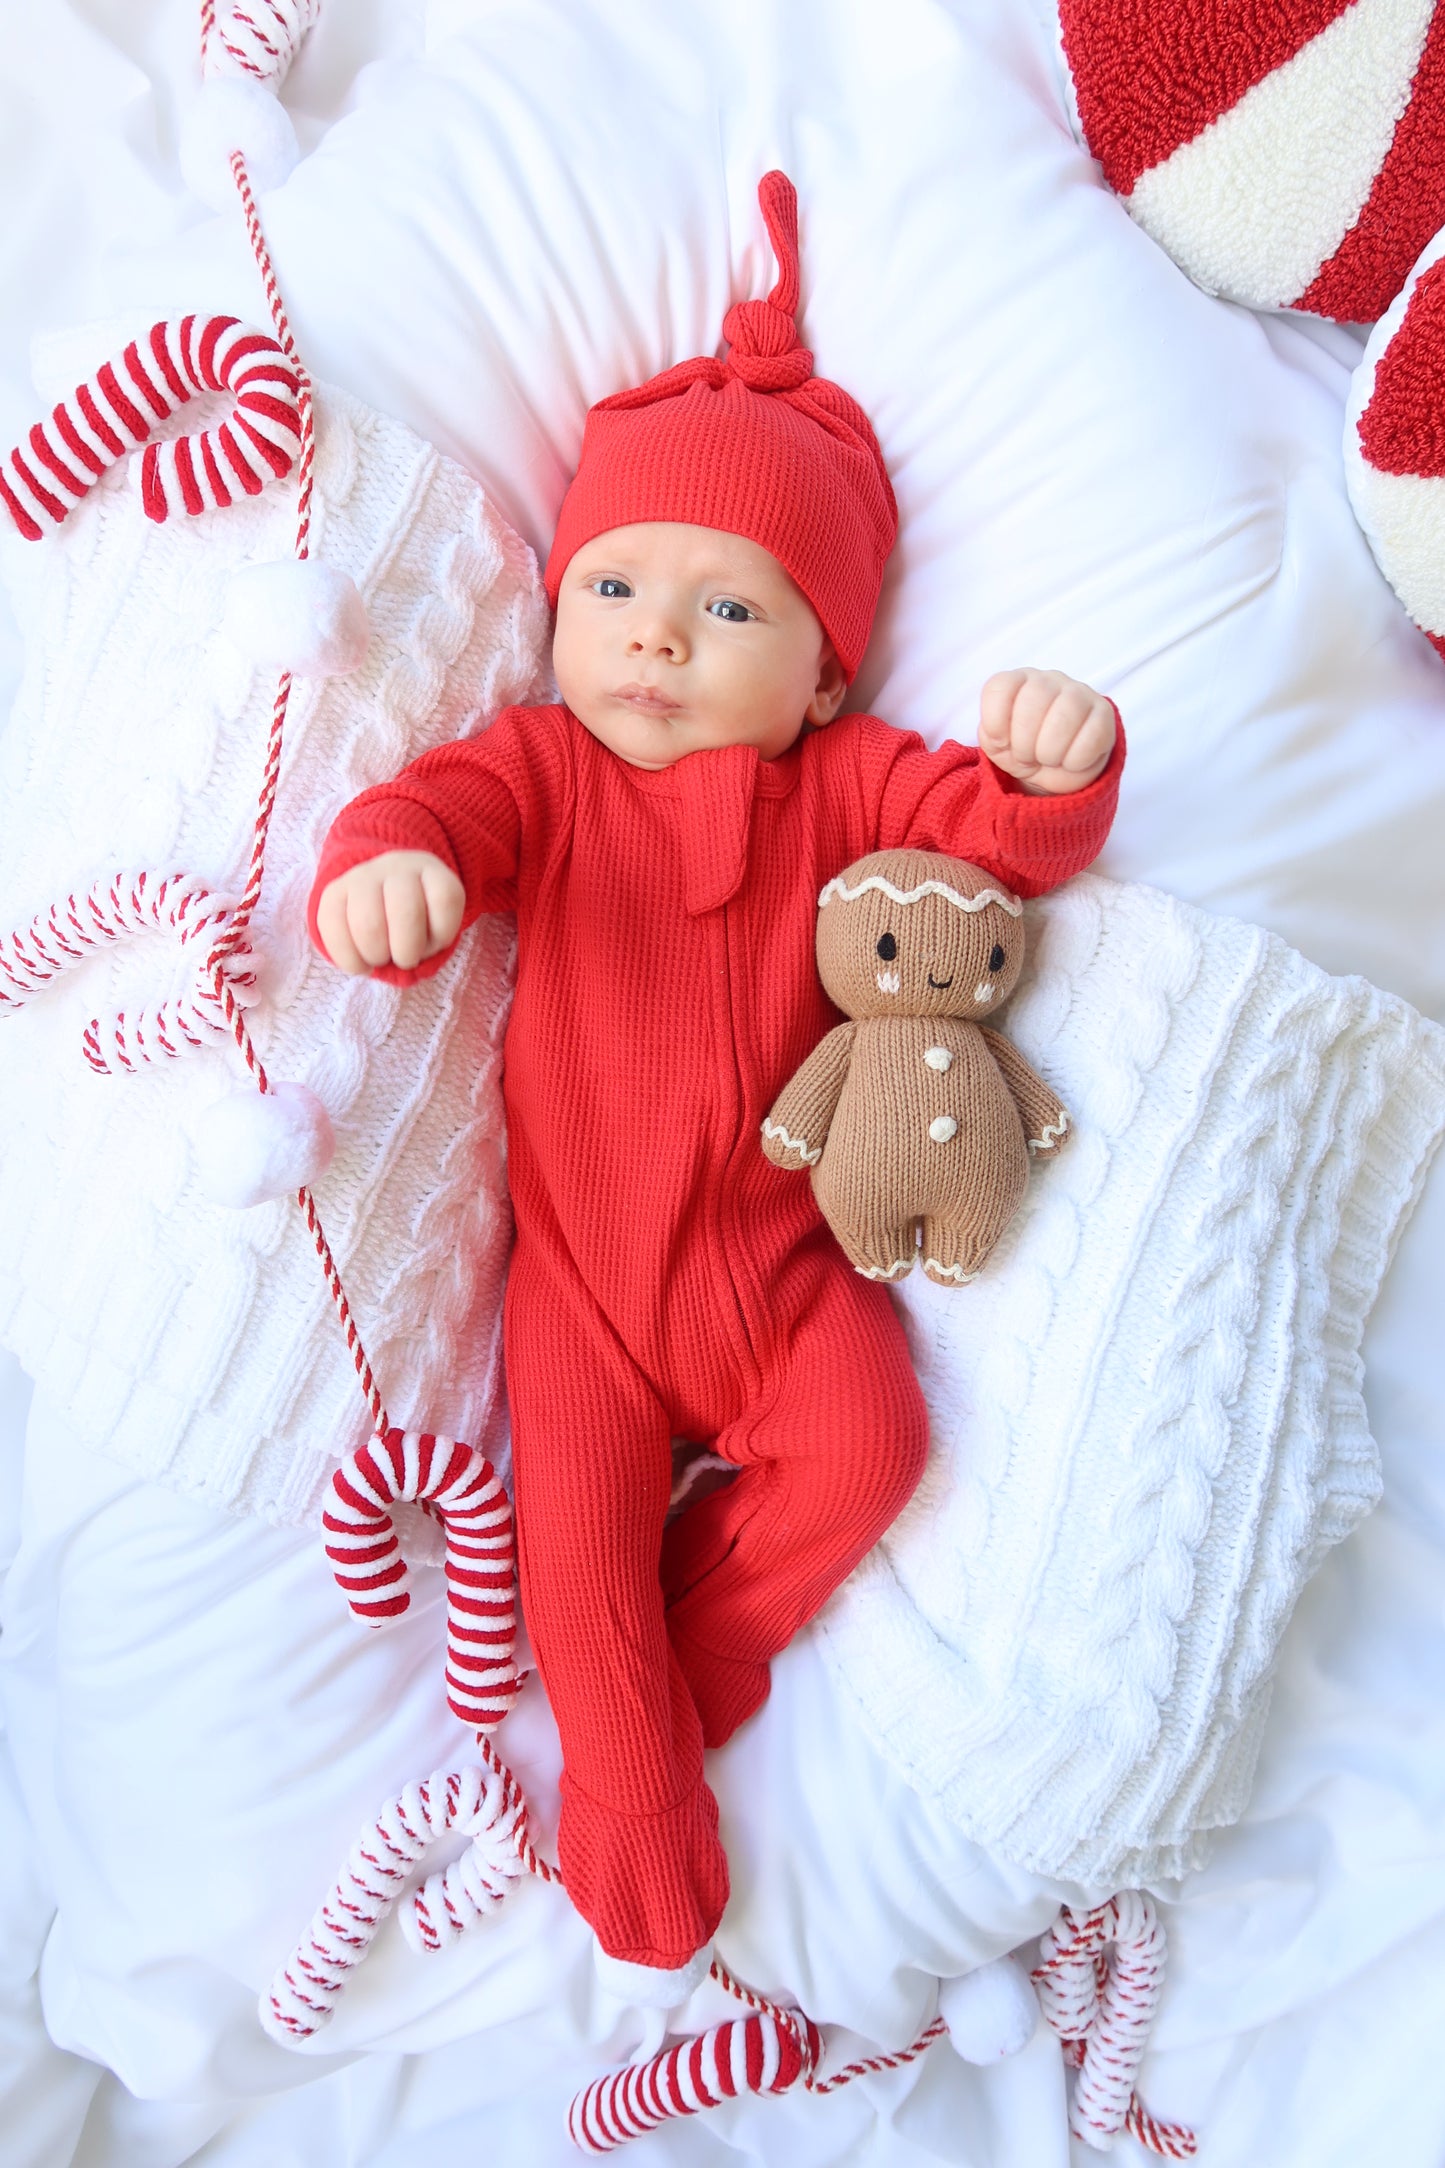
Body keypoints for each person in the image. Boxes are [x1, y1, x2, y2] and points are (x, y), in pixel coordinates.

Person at [309, 171, 1122, 2005]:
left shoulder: (846, 785)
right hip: (581, 1296)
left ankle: (706, 1643)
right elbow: (434, 815)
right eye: (611, 587)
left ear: (829, 674)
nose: (653, 637)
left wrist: (1054, 772)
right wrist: (389, 866)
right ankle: (630, 1758)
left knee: (870, 1446)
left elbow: (989, 842)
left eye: (723, 607)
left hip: (779, 1275)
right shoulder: (543, 766)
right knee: (570, 1551)